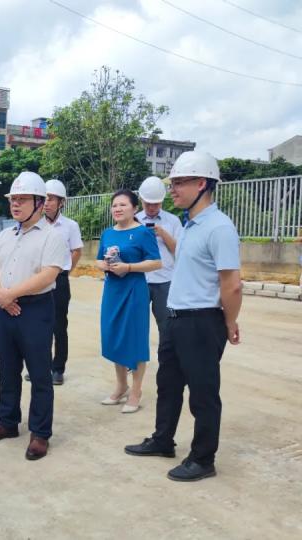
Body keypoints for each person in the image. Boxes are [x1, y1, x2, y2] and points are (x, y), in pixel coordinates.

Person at [125, 151, 242, 482]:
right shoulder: (190, 224)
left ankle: (203, 458)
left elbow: (232, 284)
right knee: (168, 384)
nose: (172, 190)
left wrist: (229, 322)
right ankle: (163, 440)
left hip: (202, 320)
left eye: (178, 183)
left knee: (203, 393)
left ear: (202, 184)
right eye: (172, 183)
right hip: (176, 318)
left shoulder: (219, 228)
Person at [0, 172, 70, 461]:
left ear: (39, 203)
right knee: (7, 369)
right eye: (13, 199)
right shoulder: (6, 234)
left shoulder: (53, 236)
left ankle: (40, 433)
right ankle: (7, 421)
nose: (15, 204)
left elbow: (48, 275)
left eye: (22, 199)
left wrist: (10, 294)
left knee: (40, 374)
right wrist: (0, 295)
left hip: (35, 309)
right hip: (4, 307)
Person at [95, 190, 161, 414]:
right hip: (112, 290)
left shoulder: (143, 233)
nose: (118, 209)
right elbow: (98, 260)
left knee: (135, 338)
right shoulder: (107, 233)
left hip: (134, 291)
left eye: (123, 205)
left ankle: (136, 391)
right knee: (113, 336)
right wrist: (104, 265)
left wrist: (129, 267)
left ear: (135, 208)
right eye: (115, 205)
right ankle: (121, 385)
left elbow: (156, 262)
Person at [25, 179, 83, 385]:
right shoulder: (34, 225)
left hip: (59, 280)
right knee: (38, 325)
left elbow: (77, 251)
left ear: (61, 202)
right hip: (36, 279)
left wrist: (64, 271)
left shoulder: (70, 226)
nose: (47, 203)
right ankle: (39, 367)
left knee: (59, 325)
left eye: (51, 199)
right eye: (44, 199)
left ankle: (58, 369)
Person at [136, 176, 183, 339]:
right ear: (141, 200)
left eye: (155, 204)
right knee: (136, 323)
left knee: (167, 325)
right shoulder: (134, 220)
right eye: (147, 203)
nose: (151, 207)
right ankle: (136, 354)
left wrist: (163, 233)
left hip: (165, 281)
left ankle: (166, 355)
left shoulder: (173, 221)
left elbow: (179, 251)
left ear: (162, 201)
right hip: (139, 279)